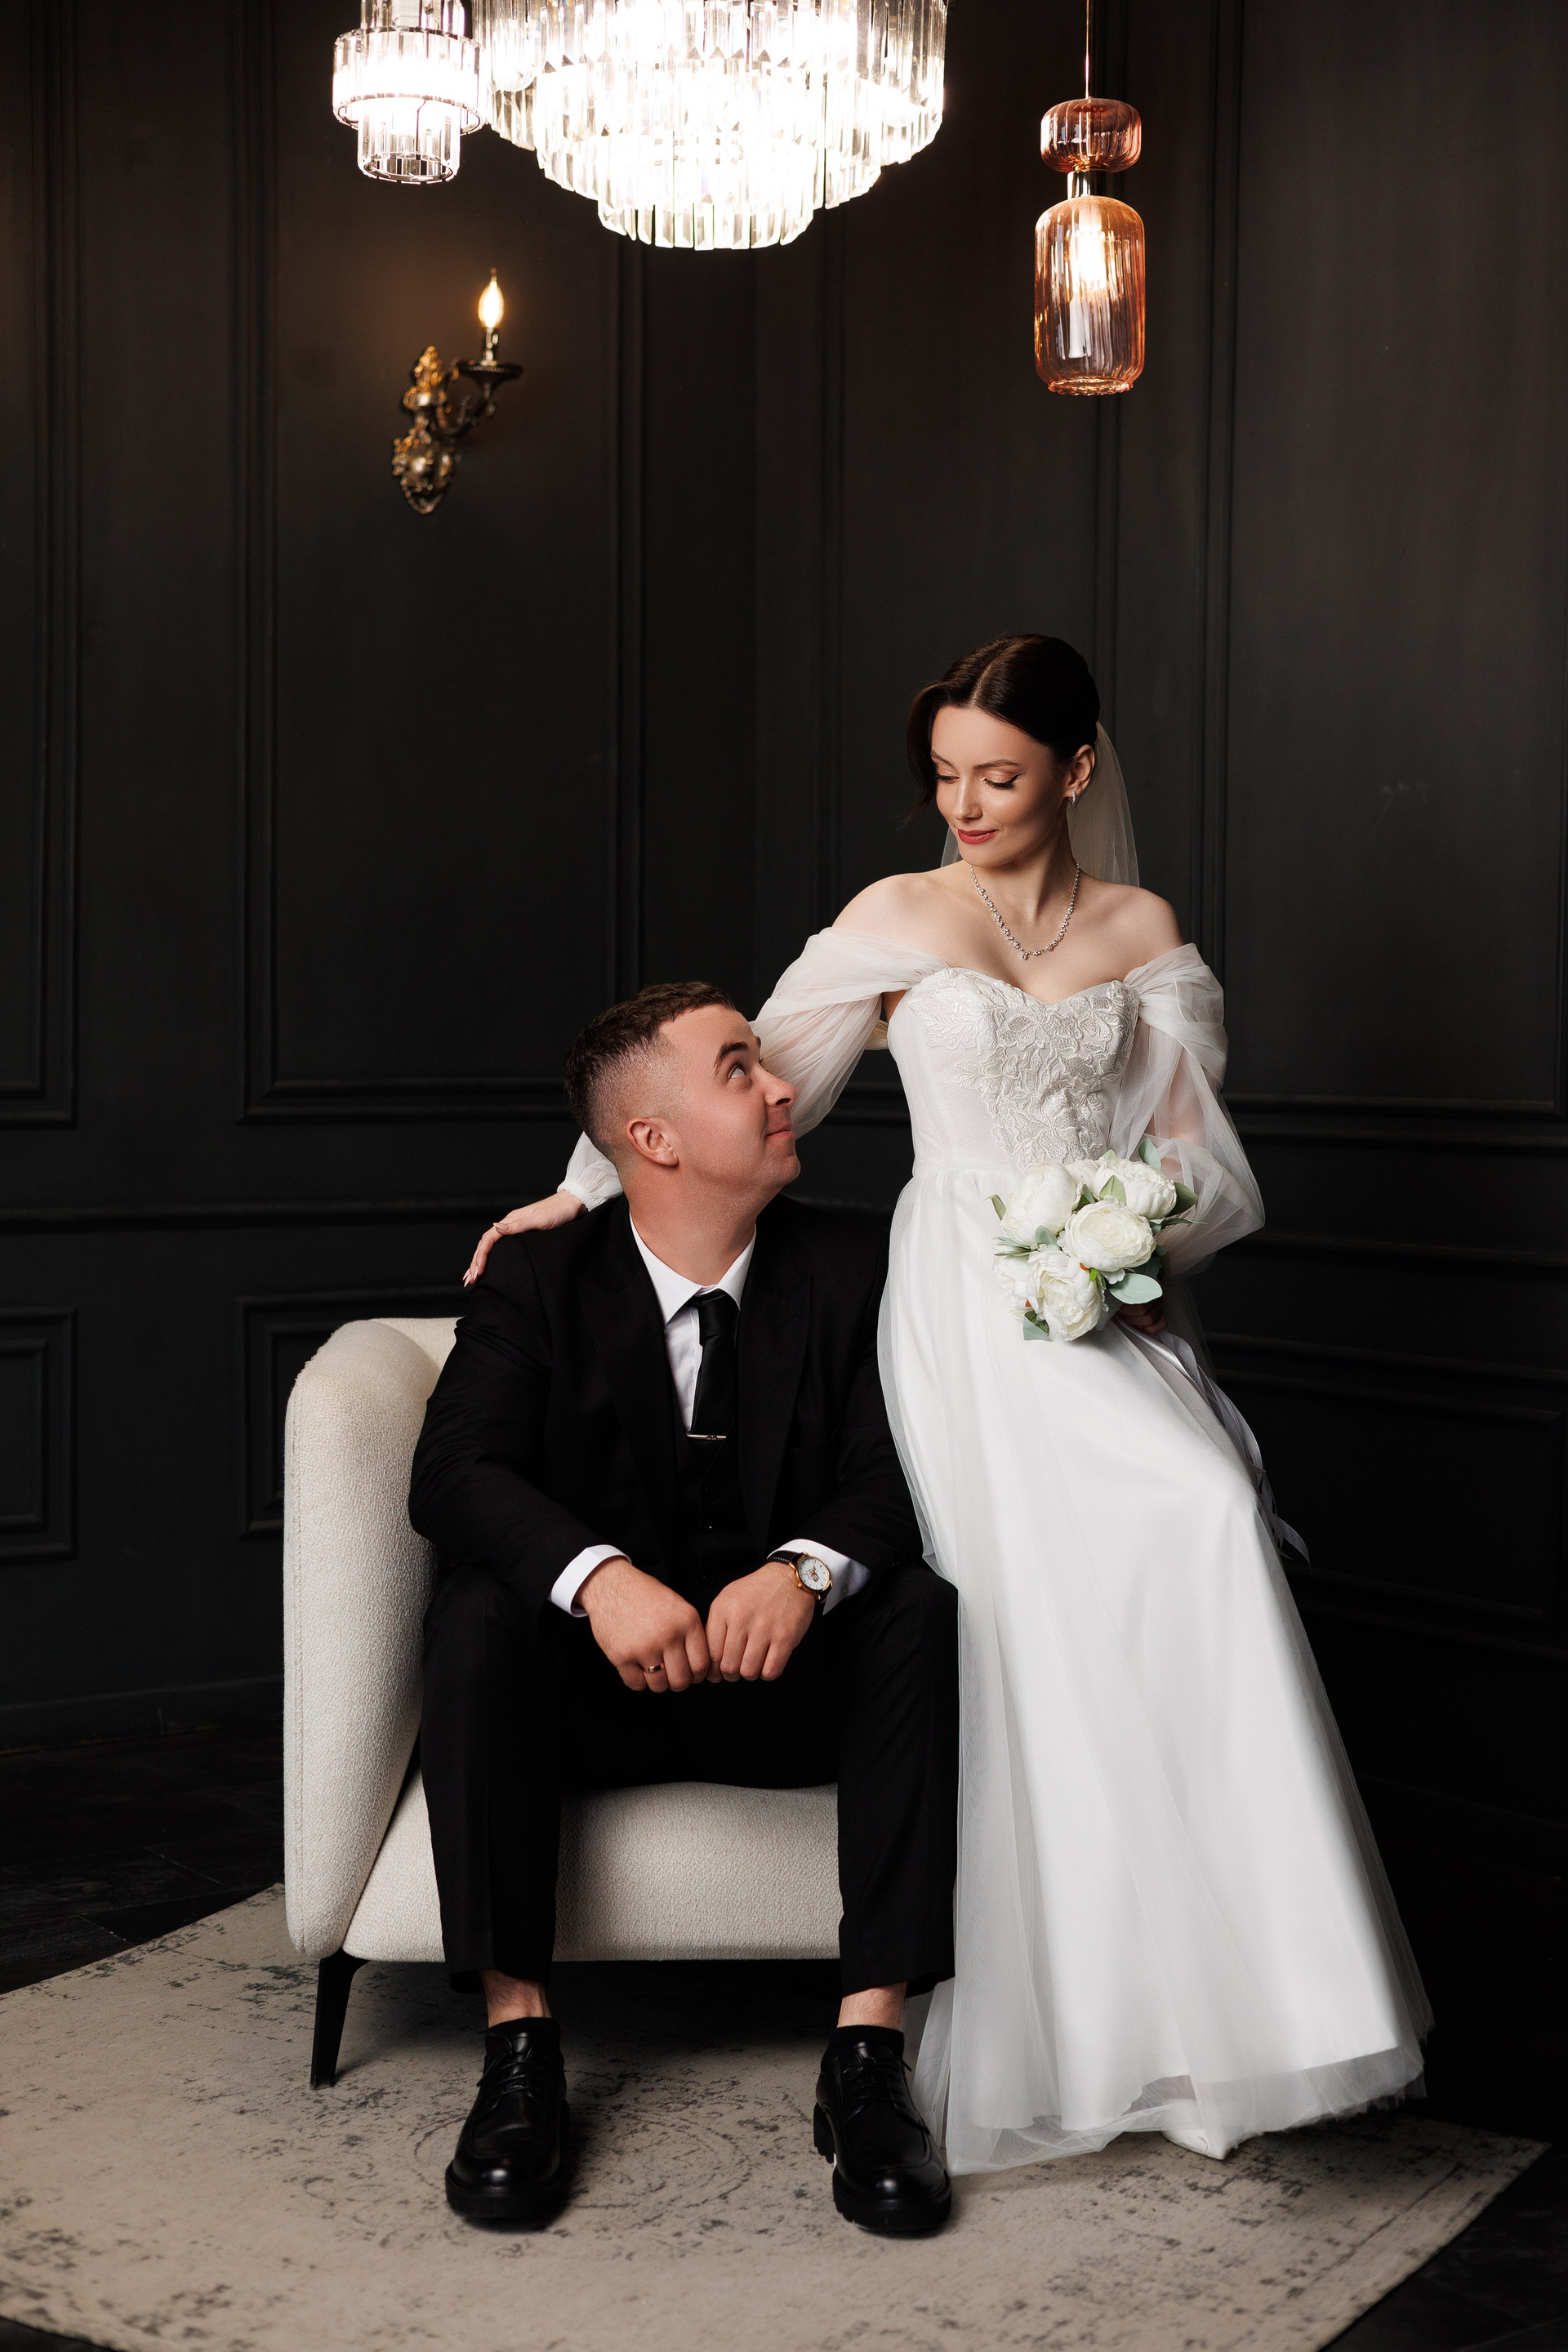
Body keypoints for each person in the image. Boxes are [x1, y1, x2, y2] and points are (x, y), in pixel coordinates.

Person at [466, 634, 1431, 2176]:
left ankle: (1238, 2019)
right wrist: (576, 1199)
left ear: (1078, 768)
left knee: (1203, 1520)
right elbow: (738, 1075)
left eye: (999, 776)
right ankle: (1060, 2026)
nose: (965, 806)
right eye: (944, 777)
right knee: (1012, 1617)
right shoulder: (901, 915)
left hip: (1089, 1292)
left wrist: (1129, 1226)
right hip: (959, 1303)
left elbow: (1202, 1159)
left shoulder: (1141, 930)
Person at [410, 980, 960, 2232]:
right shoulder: (539, 1278)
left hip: (791, 1699)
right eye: (738, 1069)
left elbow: (907, 1469)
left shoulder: (857, 1264)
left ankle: (868, 2057)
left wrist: (806, 1571)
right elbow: (453, 1471)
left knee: (914, 1611)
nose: (783, 1086)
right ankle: (518, 2047)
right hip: (592, 1706)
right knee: (478, 1618)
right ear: (650, 1139)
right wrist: (599, 1578)